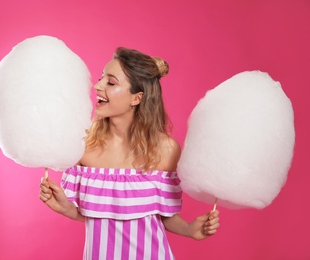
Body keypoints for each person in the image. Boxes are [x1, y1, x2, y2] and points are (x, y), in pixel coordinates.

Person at [39, 47, 220, 259]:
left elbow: (163, 215)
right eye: (101, 78)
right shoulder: (82, 147)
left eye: (111, 82)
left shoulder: (165, 150)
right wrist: (65, 208)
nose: (97, 86)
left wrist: (190, 230)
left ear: (136, 98)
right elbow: (95, 214)